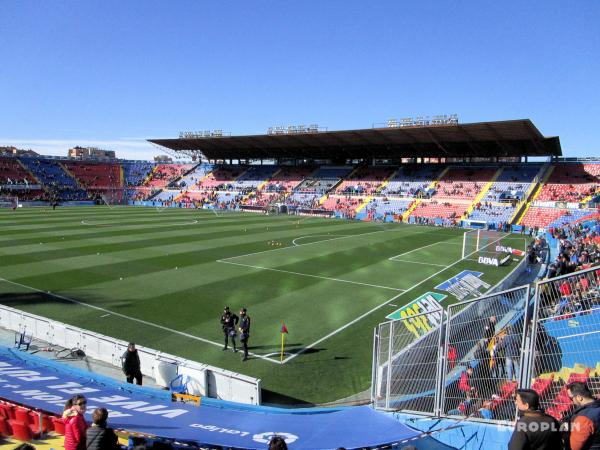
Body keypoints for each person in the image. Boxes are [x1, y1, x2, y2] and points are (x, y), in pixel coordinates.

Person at [564, 382, 600, 450]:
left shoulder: (583, 418)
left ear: (579, 397)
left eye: (571, 398)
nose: (571, 402)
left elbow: (575, 447)